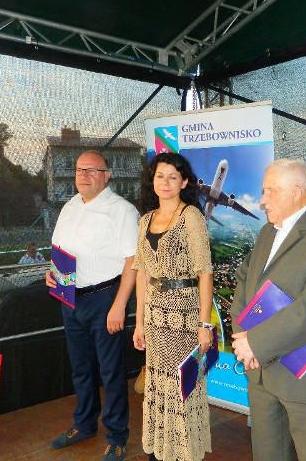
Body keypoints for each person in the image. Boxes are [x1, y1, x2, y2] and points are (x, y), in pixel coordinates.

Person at [230, 159, 306, 461]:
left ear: (297, 191)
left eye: (270, 191)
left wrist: (255, 343)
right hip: (261, 371)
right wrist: (243, 336)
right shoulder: (267, 233)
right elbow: (244, 282)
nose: (262, 200)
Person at [46, 150, 139, 461]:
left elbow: (133, 261)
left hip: (105, 299)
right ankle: (84, 424)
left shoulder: (122, 210)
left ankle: (117, 437)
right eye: (79, 170)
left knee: (111, 372)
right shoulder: (69, 207)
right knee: (81, 367)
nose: (83, 175)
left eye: (92, 170)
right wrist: (51, 273)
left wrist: (119, 306)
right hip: (70, 296)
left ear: (107, 175)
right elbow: (59, 249)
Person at [132, 152, 213, 461]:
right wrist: (139, 322)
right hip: (154, 319)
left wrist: (204, 325)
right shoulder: (145, 220)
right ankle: (161, 451)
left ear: (184, 182)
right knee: (158, 387)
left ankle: (183, 453)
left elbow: (205, 273)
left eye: (172, 177)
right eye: (160, 176)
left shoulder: (191, 216)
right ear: (152, 181)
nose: (165, 183)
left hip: (184, 319)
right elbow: (141, 273)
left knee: (182, 387)